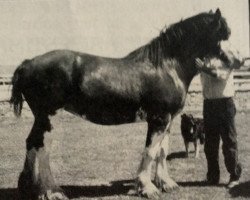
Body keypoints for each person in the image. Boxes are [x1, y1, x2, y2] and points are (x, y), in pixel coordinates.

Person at [195, 41, 243, 189]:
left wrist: (204, 68)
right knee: (210, 144)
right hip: (209, 104)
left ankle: (234, 176)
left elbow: (221, 75)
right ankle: (213, 176)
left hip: (225, 103)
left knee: (229, 141)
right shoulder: (204, 56)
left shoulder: (226, 53)